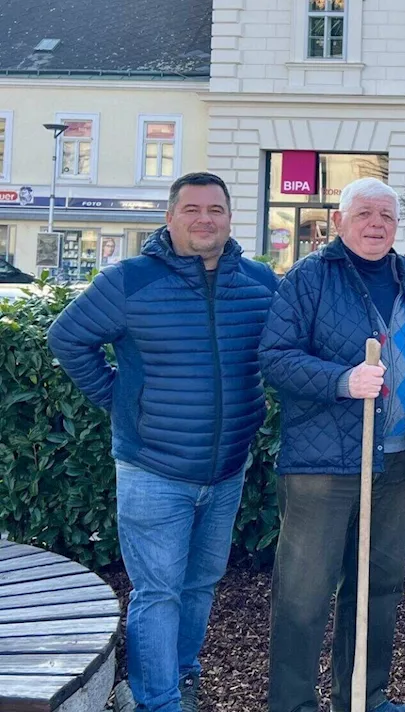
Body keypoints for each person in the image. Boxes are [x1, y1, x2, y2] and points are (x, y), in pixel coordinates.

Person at [48, 172, 278, 712]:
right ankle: (157, 701)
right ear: (170, 217)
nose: (205, 219)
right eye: (192, 209)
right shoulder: (130, 281)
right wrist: (120, 400)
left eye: (216, 209)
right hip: (154, 469)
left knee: (201, 585)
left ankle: (179, 674)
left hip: (226, 470)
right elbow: (67, 336)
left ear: (229, 217)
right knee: (157, 591)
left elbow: (290, 345)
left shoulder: (259, 282)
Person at [259, 178, 405, 712]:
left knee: (379, 587)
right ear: (339, 221)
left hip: (394, 457)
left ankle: (364, 698)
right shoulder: (310, 277)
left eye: (386, 215)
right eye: (364, 214)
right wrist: (341, 379)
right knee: (304, 594)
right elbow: (276, 357)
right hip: (323, 463)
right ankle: (291, 706)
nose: (376, 224)